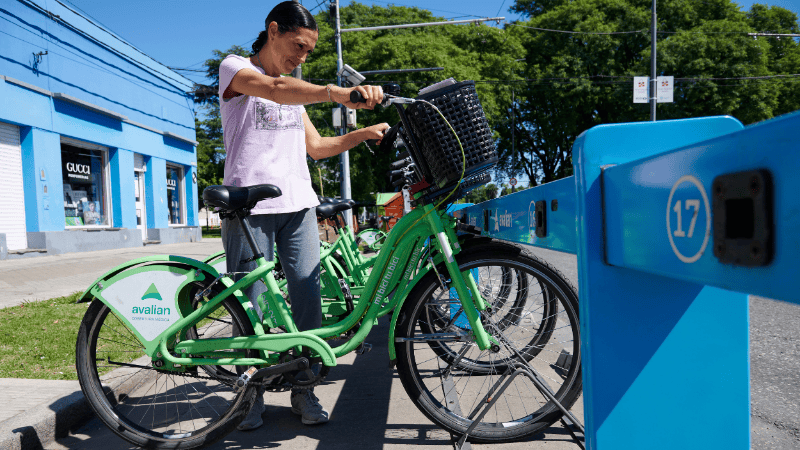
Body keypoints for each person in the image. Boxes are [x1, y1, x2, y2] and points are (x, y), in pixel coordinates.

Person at [217, 1, 389, 431]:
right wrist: (336, 92)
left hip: (298, 205)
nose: (303, 57)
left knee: (309, 301)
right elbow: (274, 89)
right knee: (252, 304)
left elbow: (317, 148)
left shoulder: (295, 92)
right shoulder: (236, 68)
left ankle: (303, 388)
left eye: (310, 51)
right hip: (250, 206)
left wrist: (363, 133)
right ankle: (250, 395)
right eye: (299, 46)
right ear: (273, 30)